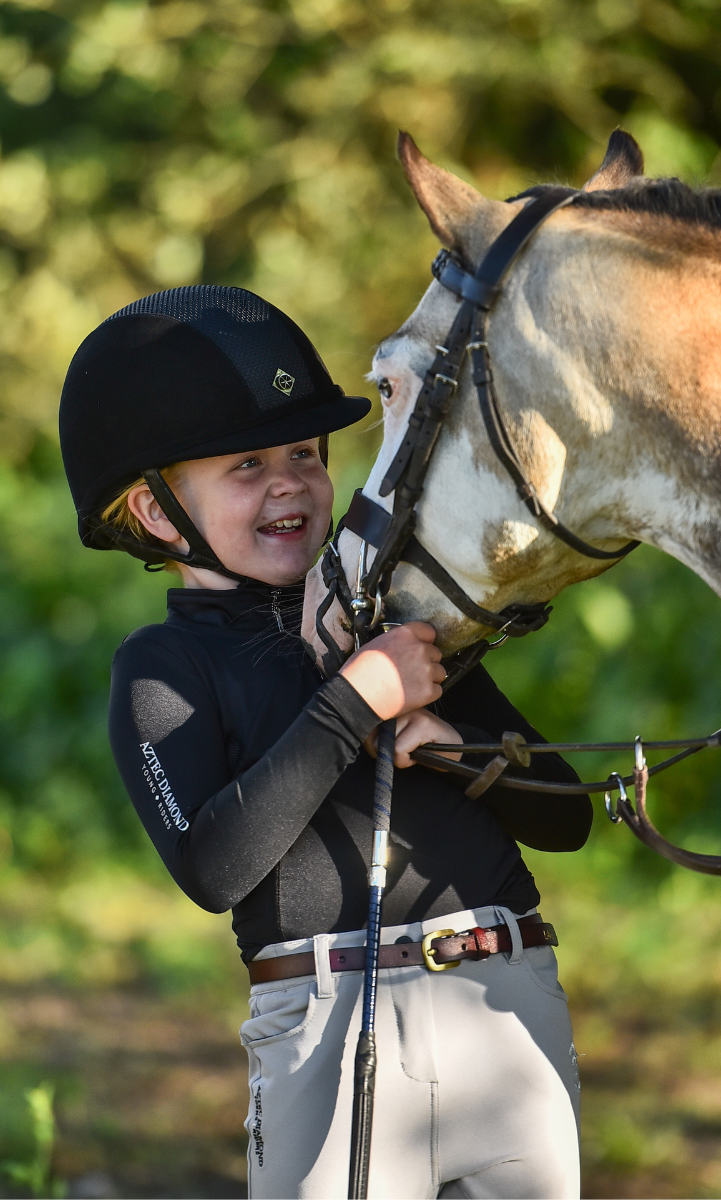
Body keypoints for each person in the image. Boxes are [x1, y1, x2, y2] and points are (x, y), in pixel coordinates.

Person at [59, 284, 593, 1200]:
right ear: (155, 513)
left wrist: (458, 746)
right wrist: (354, 703)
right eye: (246, 464)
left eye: (305, 453)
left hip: (503, 1001)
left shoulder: (388, 619)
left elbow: (569, 820)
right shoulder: (164, 668)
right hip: (327, 1028)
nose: (290, 483)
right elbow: (213, 866)